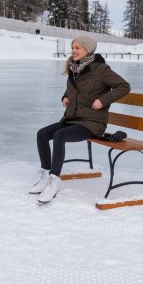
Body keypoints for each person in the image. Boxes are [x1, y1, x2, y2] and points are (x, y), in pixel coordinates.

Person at [31, 35, 130, 203]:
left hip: (92, 123)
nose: (73, 51)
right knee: (42, 134)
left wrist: (102, 100)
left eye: (77, 48)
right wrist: (65, 96)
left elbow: (124, 87)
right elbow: (72, 89)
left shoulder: (100, 69)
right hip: (73, 119)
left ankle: (54, 182)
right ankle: (45, 175)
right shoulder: (74, 68)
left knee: (59, 136)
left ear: (88, 49)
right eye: (72, 47)